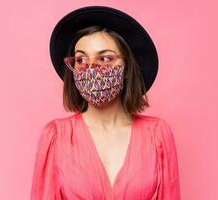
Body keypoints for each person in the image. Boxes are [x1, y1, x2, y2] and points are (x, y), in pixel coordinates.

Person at [30, 5, 181, 200]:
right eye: (81, 59)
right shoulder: (56, 137)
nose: (91, 68)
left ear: (127, 68)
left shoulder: (158, 133)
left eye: (105, 58)